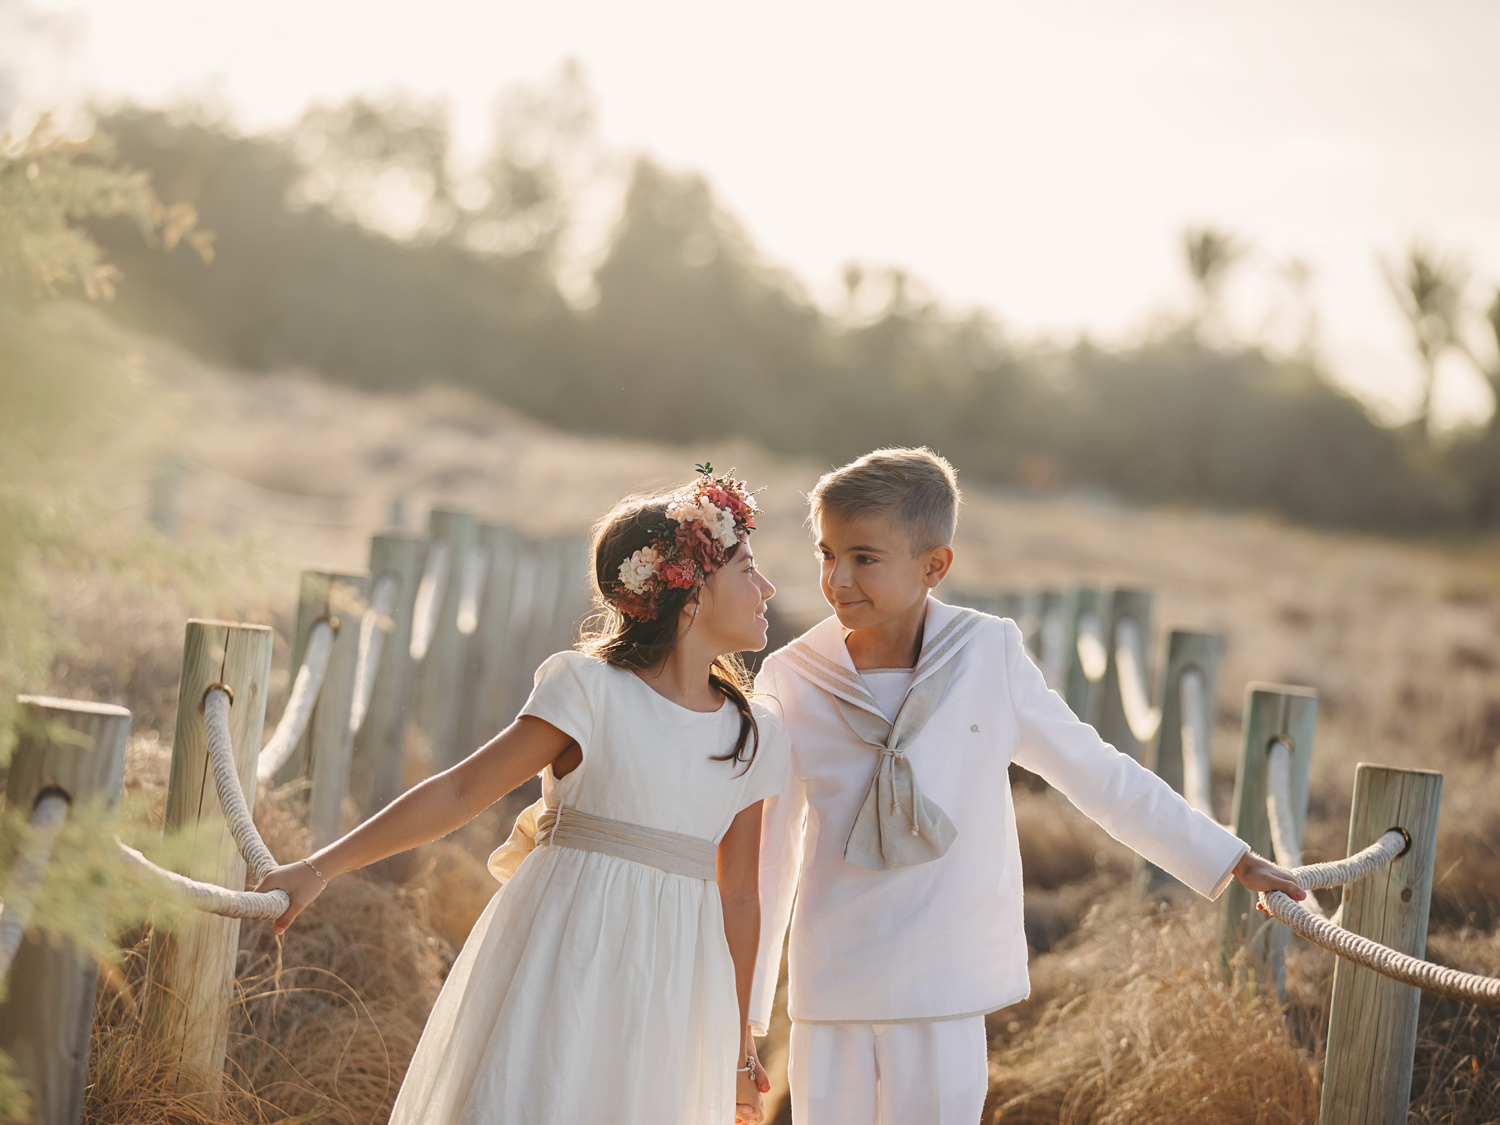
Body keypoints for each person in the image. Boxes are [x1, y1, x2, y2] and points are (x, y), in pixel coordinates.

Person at [747, 447, 1306, 1125]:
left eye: (864, 556)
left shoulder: (987, 653)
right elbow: (767, 856)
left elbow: (1094, 770)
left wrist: (1226, 854)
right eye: (826, 552)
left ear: (935, 565)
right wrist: (748, 1021)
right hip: (833, 981)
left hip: (946, 980)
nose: (837, 577)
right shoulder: (791, 675)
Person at [256, 467, 789, 1125]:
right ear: (692, 591)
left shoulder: (753, 731)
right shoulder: (590, 691)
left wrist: (737, 1050)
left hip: (673, 981)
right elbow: (458, 792)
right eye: (747, 569)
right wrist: (317, 867)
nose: (767, 589)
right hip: (562, 954)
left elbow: (739, 896)